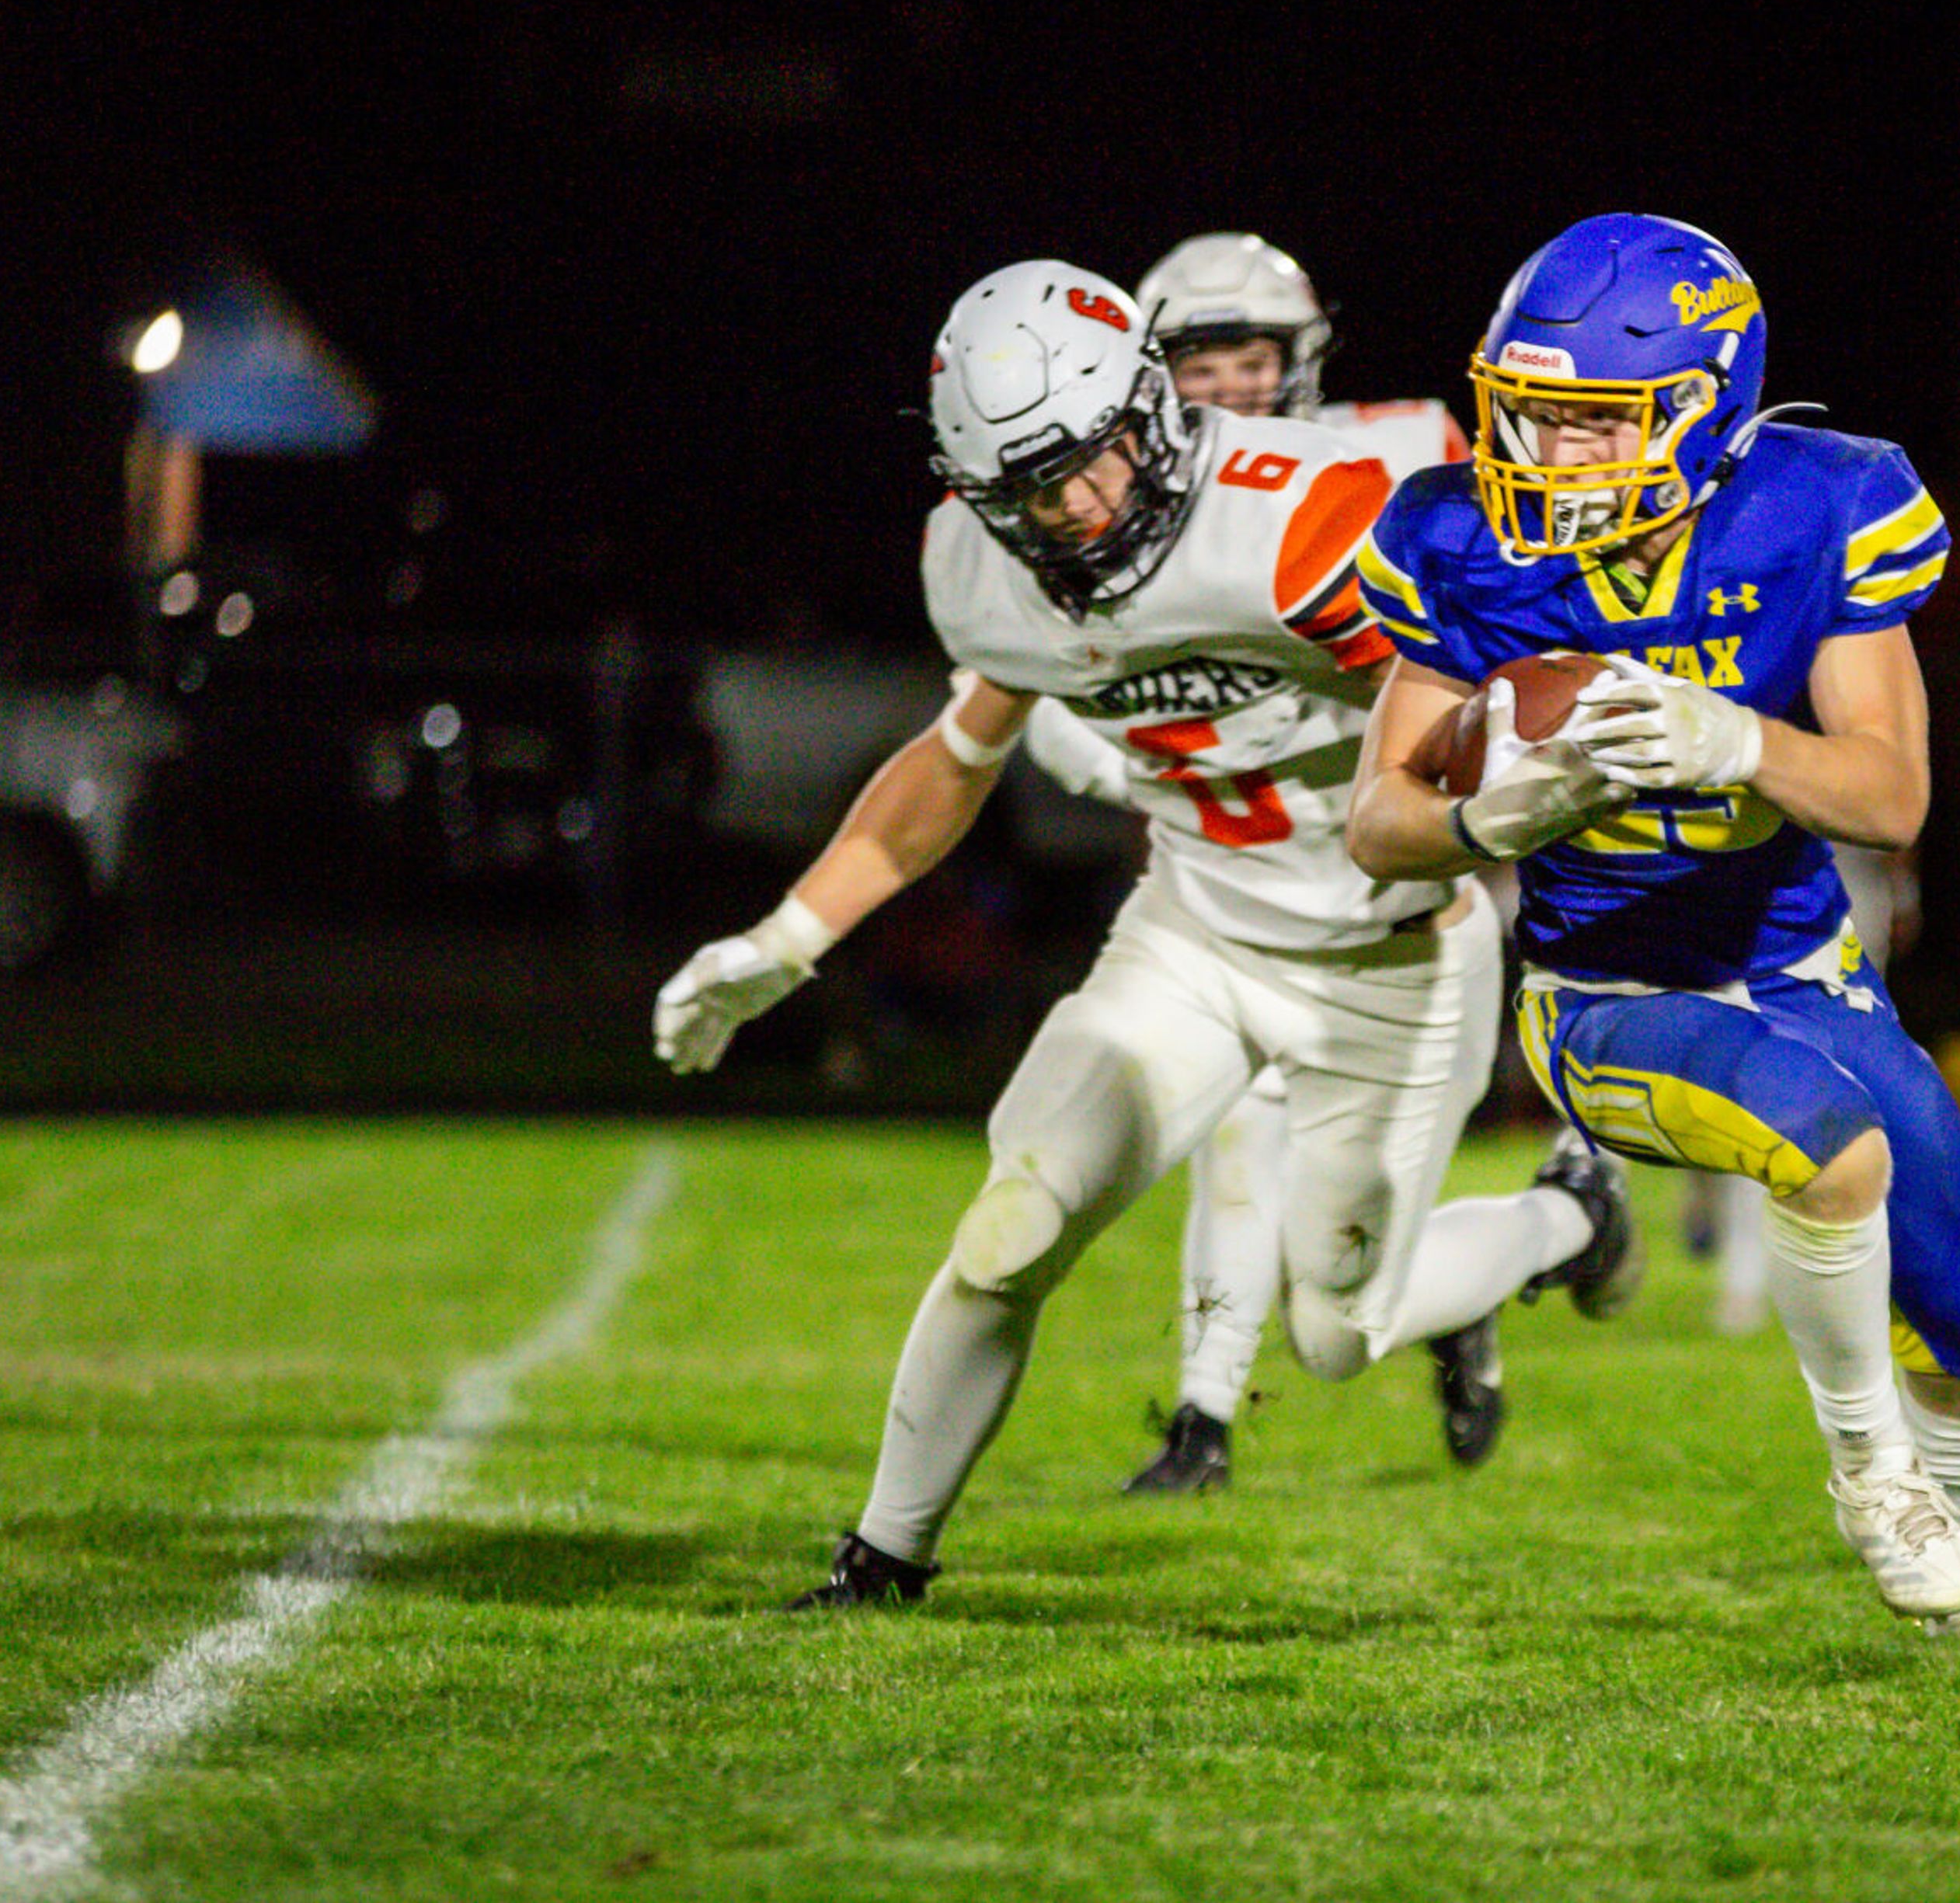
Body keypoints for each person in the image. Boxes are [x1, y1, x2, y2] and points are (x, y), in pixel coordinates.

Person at [654, 260, 1637, 1609]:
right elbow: (953, 761)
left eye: (1083, 465)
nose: (1066, 510)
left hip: (1388, 962)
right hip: (1193, 933)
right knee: (1012, 1224)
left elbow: (1495, 699)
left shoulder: (1306, 519)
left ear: (1148, 412)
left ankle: (1560, 1221)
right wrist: (786, 934)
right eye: (1021, 491)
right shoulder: (984, 566)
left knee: (1337, 1328)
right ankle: (883, 1558)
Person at [1344, 212, 1960, 1644]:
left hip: (1798, 963)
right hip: (1600, 988)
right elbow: (1379, 818)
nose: (1540, 456)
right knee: (1828, 1144)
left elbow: (1891, 793)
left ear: (1702, 410)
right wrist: (1488, 824)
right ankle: (1875, 1485)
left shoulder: (1823, 503)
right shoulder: (1454, 537)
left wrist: (1729, 737)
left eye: (1586, 422)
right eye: (1529, 415)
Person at [1013, 233, 1503, 1489]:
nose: (1226, 385)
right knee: (1232, 1138)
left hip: (1387, 886)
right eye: (1197, 361)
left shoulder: (1394, 455)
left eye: (1250, 357)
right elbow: (1036, 694)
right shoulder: (1114, 508)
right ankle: (1203, 1419)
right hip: (1232, 885)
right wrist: (1142, 762)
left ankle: (1519, 1249)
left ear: (1302, 359)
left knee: (1338, 1289)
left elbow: (1489, 645)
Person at [1683, 840, 1918, 1334]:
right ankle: (1719, 1220)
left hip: (1846, 890)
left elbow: (1897, 805)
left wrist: (1904, 886)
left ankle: (1791, 1275)